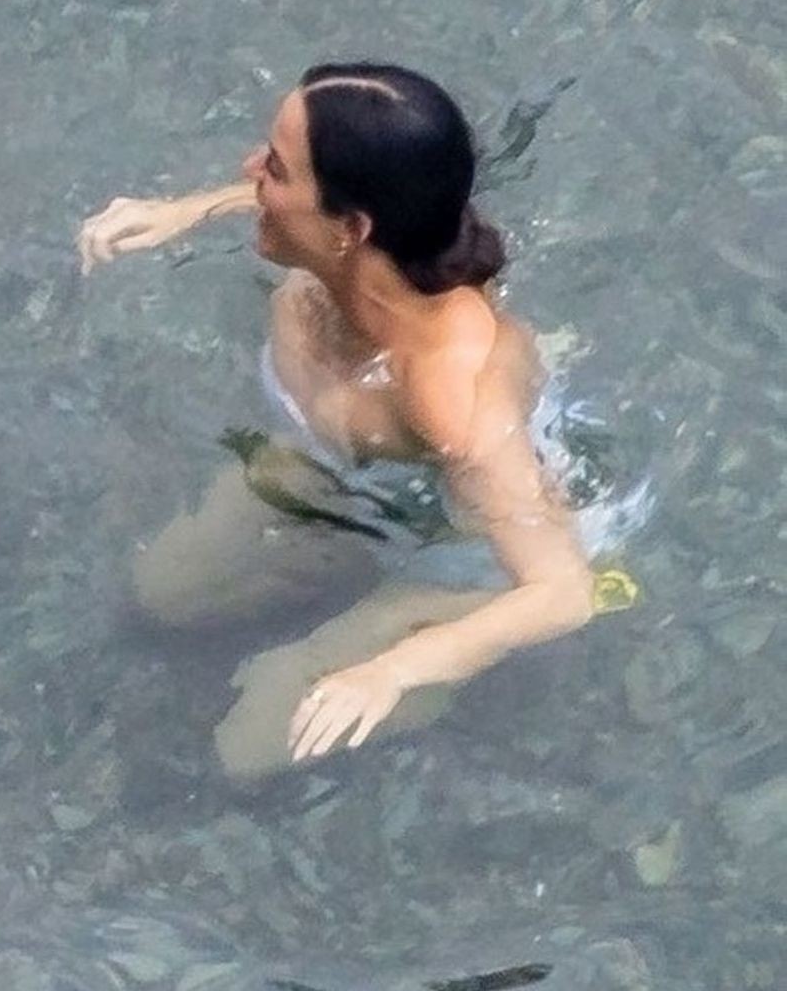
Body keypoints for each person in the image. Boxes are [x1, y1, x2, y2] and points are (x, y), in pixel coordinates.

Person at [78, 62, 620, 779]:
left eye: (273, 167)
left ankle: (403, 632)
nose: (249, 170)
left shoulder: (450, 394)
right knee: (162, 593)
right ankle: (348, 574)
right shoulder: (352, 255)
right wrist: (185, 211)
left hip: (466, 553)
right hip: (351, 478)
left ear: (351, 228)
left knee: (244, 748)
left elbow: (562, 592)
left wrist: (395, 669)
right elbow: (313, 208)